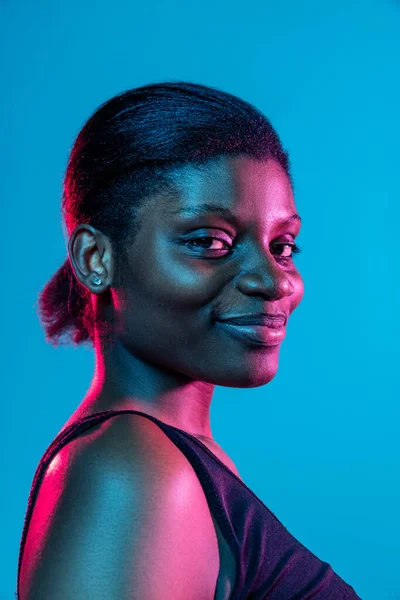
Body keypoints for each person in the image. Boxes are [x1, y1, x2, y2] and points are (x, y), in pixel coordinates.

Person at [16, 80, 361, 599]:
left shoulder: (183, 460)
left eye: (282, 246)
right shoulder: (131, 470)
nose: (275, 282)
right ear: (95, 259)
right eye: (208, 242)